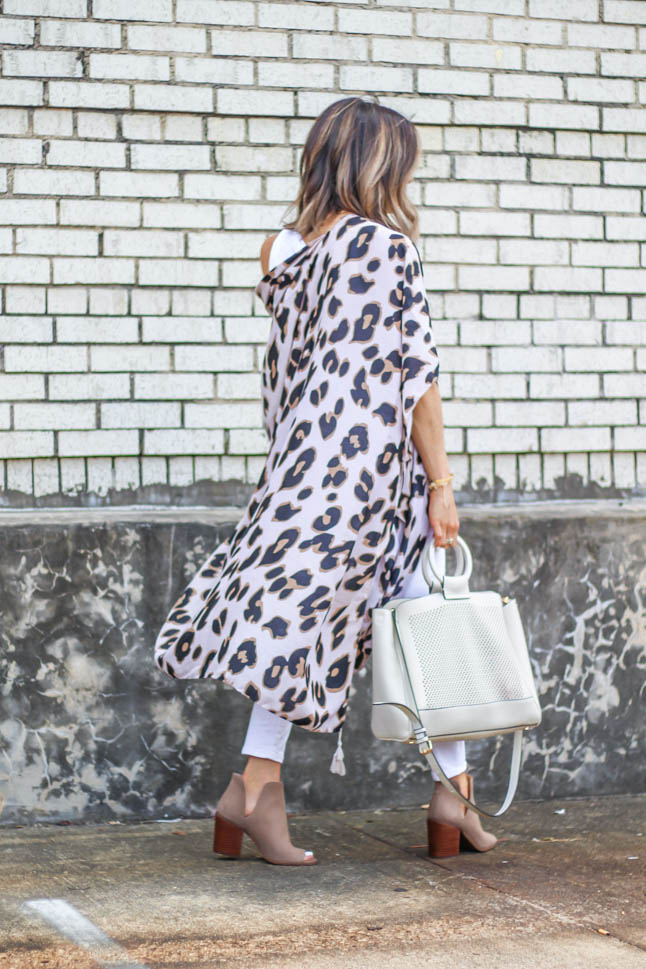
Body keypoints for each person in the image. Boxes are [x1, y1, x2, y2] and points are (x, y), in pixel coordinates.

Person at [153, 96, 497, 866]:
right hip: (371, 474)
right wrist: (440, 482)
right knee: (425, 621)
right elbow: (418, 382)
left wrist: (294, 465)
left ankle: (254, 789)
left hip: (300, 470)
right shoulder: (387, 249)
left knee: (296, 621)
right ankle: (453, 795)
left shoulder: (282, 252)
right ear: (375, 164)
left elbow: (282, 377)